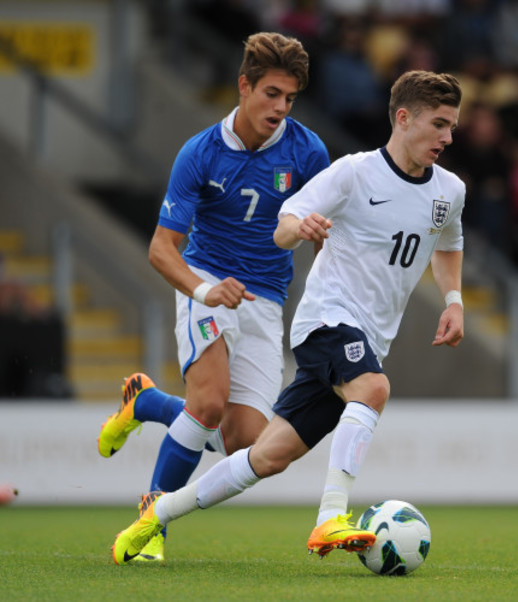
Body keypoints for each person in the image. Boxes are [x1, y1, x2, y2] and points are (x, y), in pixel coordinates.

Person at [111, 69, 466, 565]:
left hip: (369, 336)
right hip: (325, 319)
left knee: (263, 454)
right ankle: (330, 517)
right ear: (404, 119)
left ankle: (157, 515)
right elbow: (283, 226)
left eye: (452, 126)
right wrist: (303, 227)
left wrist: (453, 301)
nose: (448, 137)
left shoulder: (450, 190)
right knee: (373, 389)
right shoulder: (354, 172)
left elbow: (448, 244)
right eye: (439, 124)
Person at [97, 31, 330, 562]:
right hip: (206, 283)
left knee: (247, 444)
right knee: (206, 402)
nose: (280, 107)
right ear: (243, 86)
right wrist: (204, 289)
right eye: (271, 93)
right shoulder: (199, 153)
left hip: (266, 299)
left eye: (290, 98)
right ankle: (151, 524)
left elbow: (326, 234)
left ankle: (147, 403)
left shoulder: (309, 151)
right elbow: (161, 249)